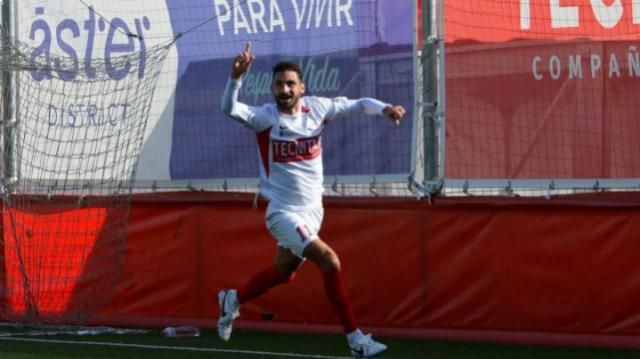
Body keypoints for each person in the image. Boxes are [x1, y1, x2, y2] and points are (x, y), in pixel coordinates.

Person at [218, 42, 406, 358]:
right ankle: (356, 340)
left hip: (313, 211)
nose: (285, 89)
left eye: (290, 83)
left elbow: (359, 103)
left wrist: (385, 107)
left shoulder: (317, 109)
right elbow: (229, 109)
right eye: (279, 84)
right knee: (330, 261)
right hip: (282, 213)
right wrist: (236, 79)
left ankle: (232, 300)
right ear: (272, 88)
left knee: (283, 273)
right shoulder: (264, 118)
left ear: (301, 87)